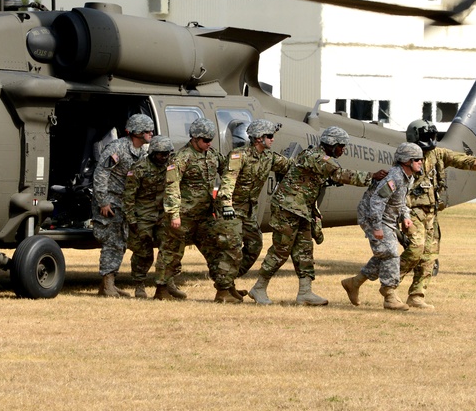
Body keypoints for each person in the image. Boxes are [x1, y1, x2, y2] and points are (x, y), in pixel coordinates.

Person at [248, 126, 383, 306]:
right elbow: (341, 175)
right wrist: (373, 176)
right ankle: (259, 288)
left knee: (304, 250)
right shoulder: (318, 158)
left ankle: (305, 292)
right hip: (287, 208)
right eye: (341, 146)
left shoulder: (316, 156)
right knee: (280, 250)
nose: (343, 150)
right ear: (332, 144)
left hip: (301, 209)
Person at [397, 119, 476, 309]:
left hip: (431, 212)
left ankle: (417, 295)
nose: (430, 140)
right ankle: (390, 287)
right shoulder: (404, 156)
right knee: (415, 250)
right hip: (412, 211)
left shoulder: (439, 154)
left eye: (431, 135)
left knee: (430, 255)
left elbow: (464, 160)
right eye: (425, 136)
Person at [155, 118, 241, 303]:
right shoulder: (181, 157)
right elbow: (171, 185)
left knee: (216, 250)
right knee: (171, 253)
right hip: (183, 216)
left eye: (211, 139)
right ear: (194, 138)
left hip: (204, 216)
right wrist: (174, 214)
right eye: (205, 140)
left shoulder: (212, 155)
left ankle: (224, 290)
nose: (209, 143)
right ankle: (161, 290)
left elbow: (228, 170)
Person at [342, 142, 423, 311]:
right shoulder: (395, 177)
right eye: (417, 159)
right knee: (391, 253)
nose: (421, 162)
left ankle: (354, 283)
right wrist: (376, 227)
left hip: (387, 219)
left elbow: (400, 202)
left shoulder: (408, 177)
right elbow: (377, 201)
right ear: (406, 161)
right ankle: (389, 295)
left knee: (383, 253)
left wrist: (405, 217)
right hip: (373, 217)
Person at [216, 119, 291, 282]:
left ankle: (230, 279)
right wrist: (226, 204)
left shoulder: (268, 157)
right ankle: (224, 287)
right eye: (269, 136)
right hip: (232, 210)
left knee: (255, 246)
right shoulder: (239, 156)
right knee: (233, 247)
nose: (273, 139)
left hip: (249, 211)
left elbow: (291, 167)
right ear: (258, 138)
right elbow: (229, 180)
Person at [92, 113, 155, 297]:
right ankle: (108, 284)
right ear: (136, 132)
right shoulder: (117, 148)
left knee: (121, 243)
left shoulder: (144, 152)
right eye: (147, 130)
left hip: (126, 204)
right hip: (110, 203)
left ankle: (107, 285)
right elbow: (101, 175)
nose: (151, 133)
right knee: (112, 243)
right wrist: (103, 202)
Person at [122, 135, 174, 298]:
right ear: (152, 153)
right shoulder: (139, 168)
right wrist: (131, 220)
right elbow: (129, 196)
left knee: (168, 248)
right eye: (160, 154)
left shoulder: (171, 167)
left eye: (166, 154)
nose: (163, 157)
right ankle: (139, 285)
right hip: (142, 215)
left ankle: (166, 283)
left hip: (163, 215)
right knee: (143, 252)